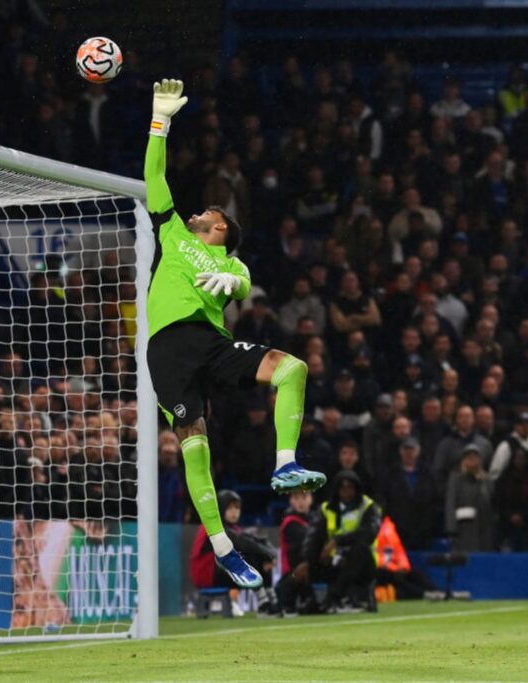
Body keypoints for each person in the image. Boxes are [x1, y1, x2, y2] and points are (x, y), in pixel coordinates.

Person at [144, 79, 325, 588]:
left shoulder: (231, 258)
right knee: (193, 444)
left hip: (210, 341)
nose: (199, 212)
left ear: (222, 228)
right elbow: (153, 176)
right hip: (169, 348)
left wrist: (236, 280)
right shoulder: (174, 233)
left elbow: (242, 281)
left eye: (210, 213)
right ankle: (223, 548)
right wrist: (161, 123)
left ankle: (286, 463)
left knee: (293, 367)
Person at [299, 470, 381, 612]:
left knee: (359, 549)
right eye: (342, 488)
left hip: (364, 564)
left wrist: (338, 540)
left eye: (350, 488)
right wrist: (307, 560)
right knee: (310, 559)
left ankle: (335, 597)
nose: (346, 492)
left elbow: (370, 533)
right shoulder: (326, 509)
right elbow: (313, 536)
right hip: (335, 560)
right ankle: (310, 599)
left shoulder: (368, 506)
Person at [189, 490, 280, 616]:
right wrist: (268, 554)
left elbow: (257, 540)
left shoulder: (233, 528)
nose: (234, 512)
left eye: (237, 508)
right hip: (206, 575)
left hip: (218, 570)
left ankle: (271, 600)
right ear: (220, 508)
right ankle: (264, 603)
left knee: (256, 551)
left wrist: (269, 555)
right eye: (230, 508)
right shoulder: (212, 526)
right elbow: (242, 543)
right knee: (249, 553)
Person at [445, 445, 495, 552]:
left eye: (474, 457)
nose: (471, 460)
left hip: (483, 530)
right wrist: (451, 529)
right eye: (468, 457)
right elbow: (450, 503)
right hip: (463, 529)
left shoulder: (487, 480)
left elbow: (489, 501)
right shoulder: (456, 479)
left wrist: (480, 482)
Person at [275, 490, 314, 614]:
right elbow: (303, 545)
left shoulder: (314, 519)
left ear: (310, 499)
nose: (300, 501)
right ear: (291, 501)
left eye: (304, 497)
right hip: (293, 573)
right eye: (296, 498)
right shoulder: (290, 522)